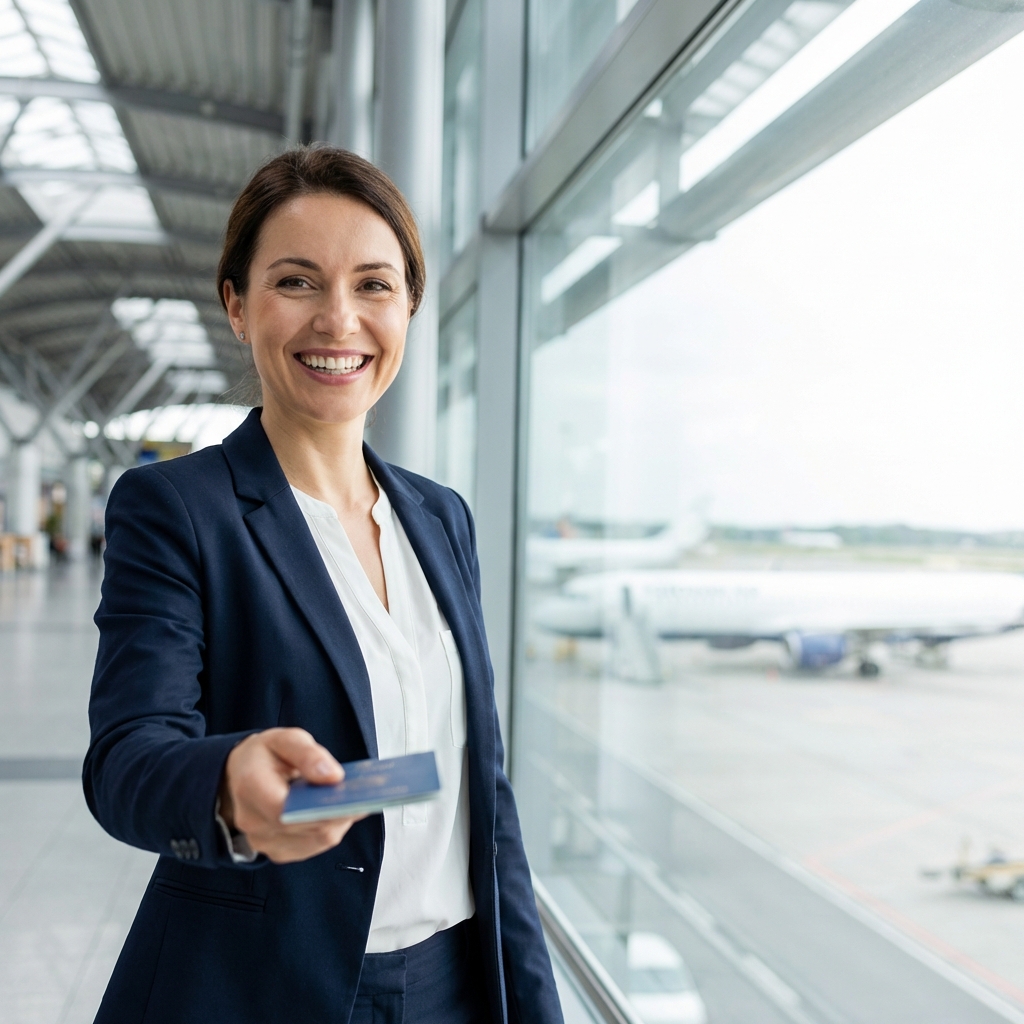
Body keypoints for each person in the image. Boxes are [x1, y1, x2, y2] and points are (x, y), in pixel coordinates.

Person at [83, 147, 563, 1024]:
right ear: (238, 305)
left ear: (410, 305)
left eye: (374, 285)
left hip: (455, 984)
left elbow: (479, 792)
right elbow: (125, 761)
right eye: (297, 282)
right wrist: (229, 782)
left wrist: (532, 1000)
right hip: (261, 985)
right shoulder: (177, 509)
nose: (338, 320)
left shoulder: (440, 517)